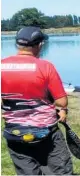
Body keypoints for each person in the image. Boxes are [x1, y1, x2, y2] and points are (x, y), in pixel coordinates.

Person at [1, 26, 73, 175]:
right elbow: (61, 101)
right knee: (61, 170)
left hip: (14, 131)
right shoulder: (45, 66)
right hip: (46, 131)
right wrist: (62, 110)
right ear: (38, 44)